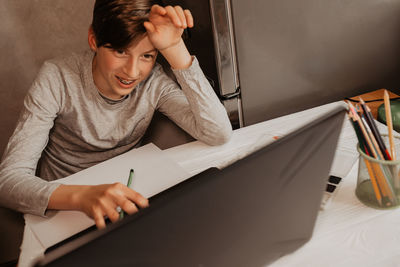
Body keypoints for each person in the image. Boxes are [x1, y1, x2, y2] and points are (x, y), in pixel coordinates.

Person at [0, 0, 232, 229]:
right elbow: (8, 181)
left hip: (127, 197)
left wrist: (175, 49)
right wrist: (81, 196)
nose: (132, 72)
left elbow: (217, 133)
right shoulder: (56, 78)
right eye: (121, 51)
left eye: (147, 56)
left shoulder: (154, 82)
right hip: (65, 205)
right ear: (94, 40)